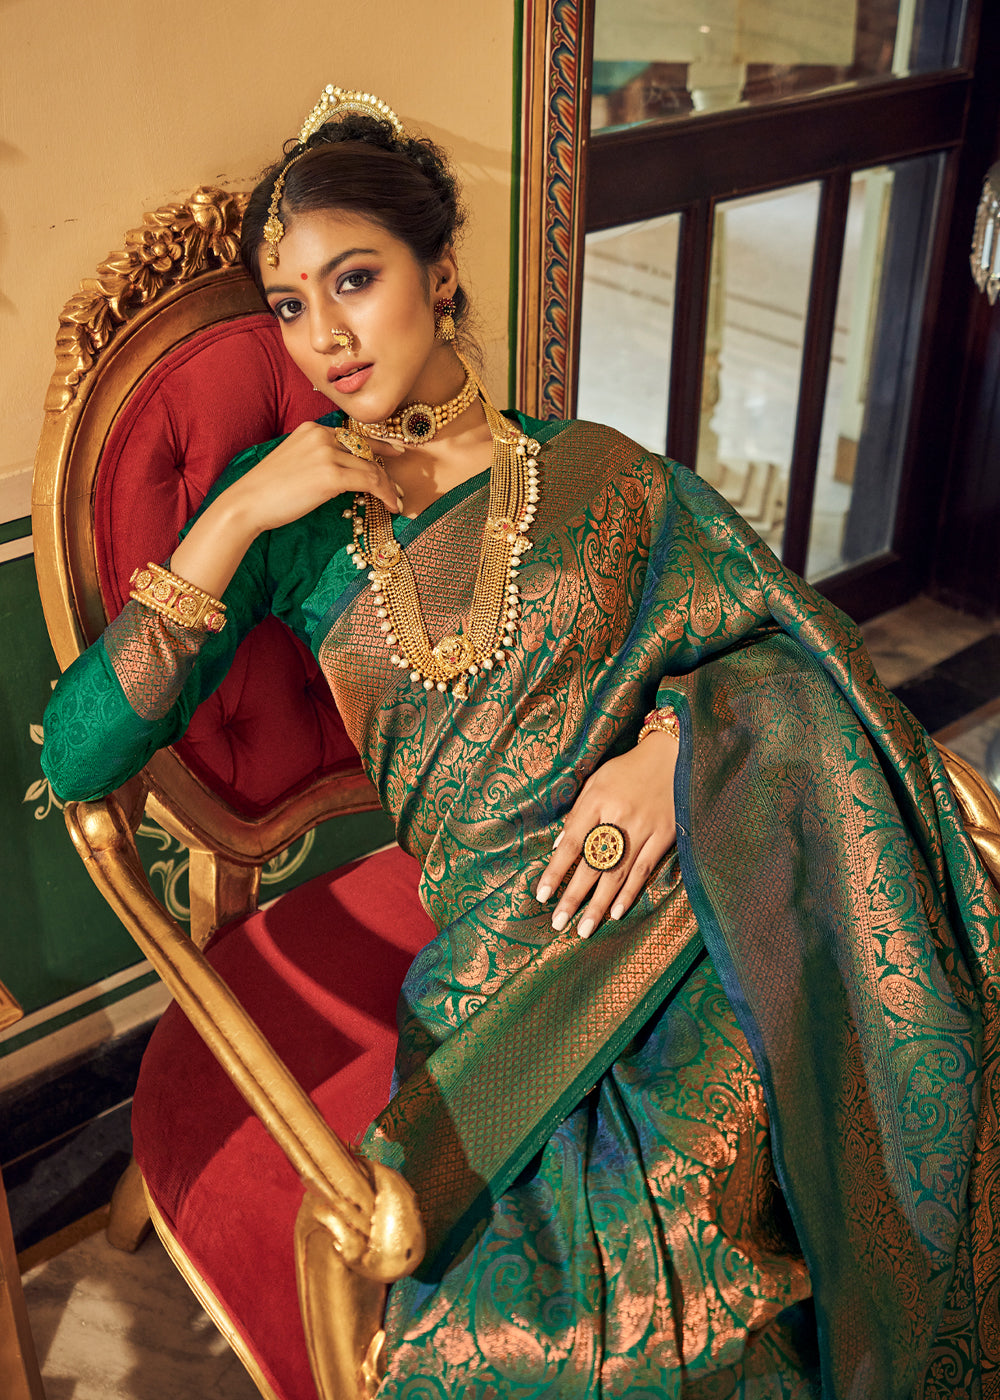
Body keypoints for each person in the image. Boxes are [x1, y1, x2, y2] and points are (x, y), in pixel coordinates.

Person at [41, 85, 1000, 1398]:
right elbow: (76, 758)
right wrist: (235, 518)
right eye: (290, 305)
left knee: (862, 1108)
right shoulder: (291, 524)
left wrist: (676, 751)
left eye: (355, 280)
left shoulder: (594, 468)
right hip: (512, 959)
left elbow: (781, 643)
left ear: (440, 273)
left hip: (698, 878)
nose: (326, 338)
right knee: (633, 1276)